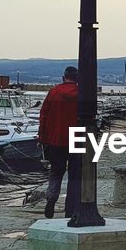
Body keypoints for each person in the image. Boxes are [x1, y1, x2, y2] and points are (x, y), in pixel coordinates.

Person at [37, 66, 81, 218]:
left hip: (55, 139)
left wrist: (42, 137)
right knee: (75, 174)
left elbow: (43, 116)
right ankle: (70, 208)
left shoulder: (53, 92)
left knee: (56, 171)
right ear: (77, 78)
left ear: (64, 77)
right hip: (77, 139)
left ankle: (51, 198)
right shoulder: (81, 94)